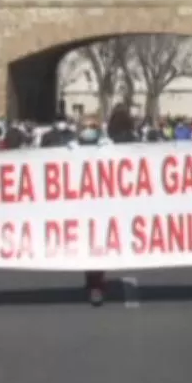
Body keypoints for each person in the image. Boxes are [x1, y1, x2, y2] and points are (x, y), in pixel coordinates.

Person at [75, 113, 119, 306]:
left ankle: (96, 285)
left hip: (102, 207)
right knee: (86, 247)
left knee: (99, 247)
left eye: (92, 126)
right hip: (80, 207)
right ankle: (91, 281)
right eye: (85, 126)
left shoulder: (108, 148)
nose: (88, 130)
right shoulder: (70, 149)